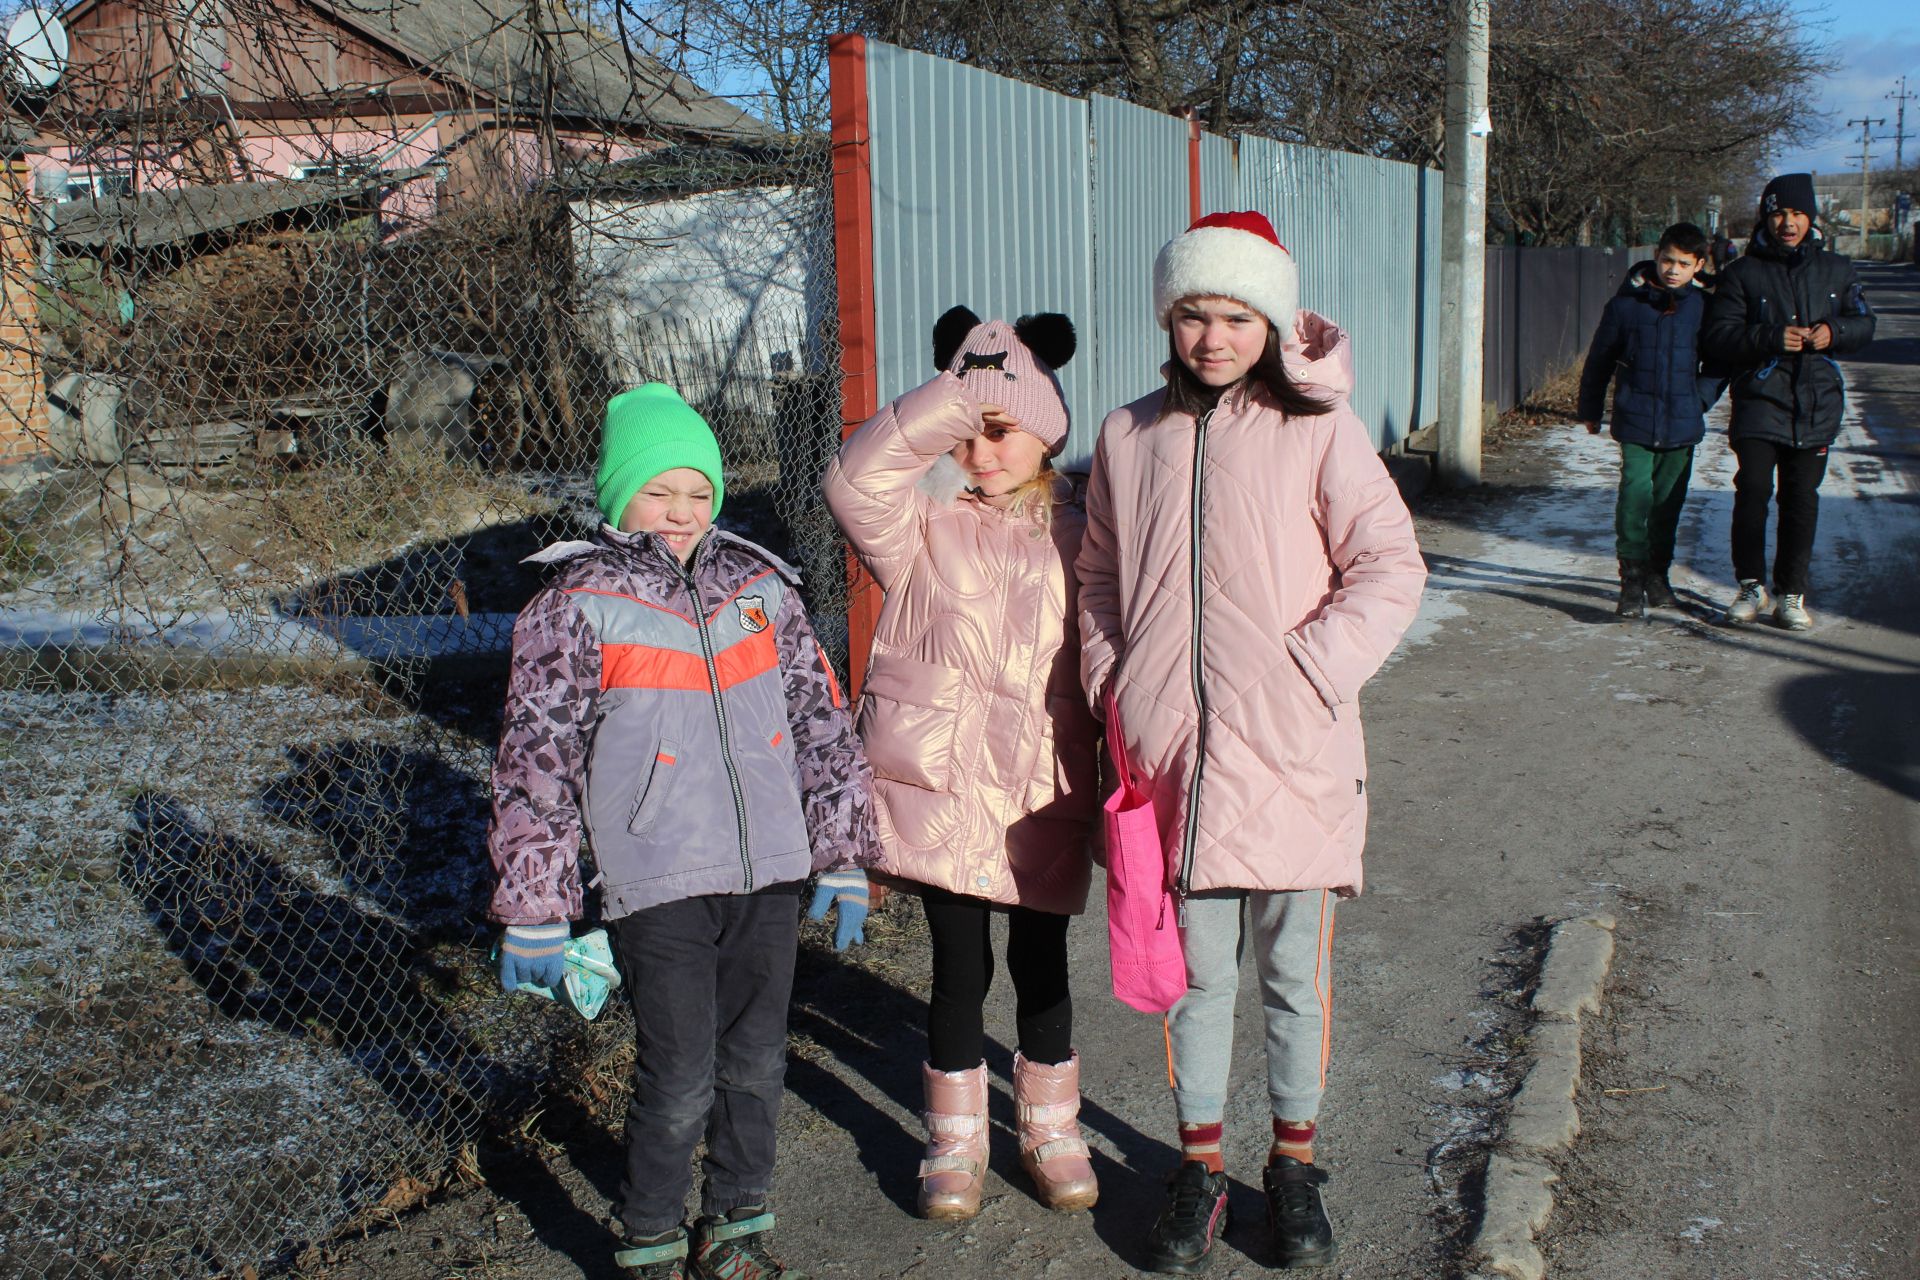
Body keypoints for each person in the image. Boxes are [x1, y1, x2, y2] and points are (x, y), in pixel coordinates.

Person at [1077, 211, 1426, 1274]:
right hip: (1171, 760)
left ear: (1270, 321)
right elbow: (1099, 577)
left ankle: (1295, 1164)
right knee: (1192, 979)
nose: (1213, 337)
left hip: (1290, 752)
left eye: (1236, 316)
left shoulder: (1318, 427)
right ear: (1167, 320)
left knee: (1291, 977)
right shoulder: (1127, 434)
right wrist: (1114, 683)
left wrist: (1309, 672)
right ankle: (1199, 1167)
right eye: (1194, 315)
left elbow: (1390, 564)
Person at [488, 382, 877, 1280]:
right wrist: (536, 903)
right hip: (657, 878)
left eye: (699, 492)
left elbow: (820, 724)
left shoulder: (760, 589)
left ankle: (736, 1228)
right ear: (617, 496)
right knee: (678, 1075)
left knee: (757, 1063)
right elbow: (535, 761)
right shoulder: (576, 603)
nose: (682, 511)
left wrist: (842, 853)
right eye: (659, 491)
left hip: (768, 872)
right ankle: (651, 1239)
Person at [822, 306, 1103, 1222]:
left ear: (1046, 430)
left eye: (1003, 431)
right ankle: (955, 1138)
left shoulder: (1085, 529)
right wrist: (957, 394)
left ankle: (1051, 1129)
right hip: (941, 789)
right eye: (967, 435)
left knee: (1041, 962)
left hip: (1040, 785)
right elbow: (854, 479)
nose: (982, 453)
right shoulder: (922, 524)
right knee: (957, 967)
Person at [1701, 173, 1875, 630]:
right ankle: (1750, 587)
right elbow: (1718, 337)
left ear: (1811, 218)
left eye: (1797, 213)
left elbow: (1864, 323)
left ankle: (1791, 593)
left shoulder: (1837, 269)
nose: (1788, 223)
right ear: (1766, 217)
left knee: (1801, 499)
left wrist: (1834, 331)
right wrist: (1772, 337)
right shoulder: (1742, 273)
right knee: (1753, 490)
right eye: (1779, 213)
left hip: (1816, 403)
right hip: (1760, 399)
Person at [1576, 221, 1721, 616]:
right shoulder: (1626, 305)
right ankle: (1631, 579)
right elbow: (1600, 360)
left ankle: (1658, 576)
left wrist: (1699, 399)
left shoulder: (1704, 309)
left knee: (1668, 504)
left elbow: (1718, 363)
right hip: (1636, 420)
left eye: (1684, 264)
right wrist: (1590, 409)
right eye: (1668, 260)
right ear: (1656, 257)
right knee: (1634, 497)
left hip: (1682, 424)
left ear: (1699, 266)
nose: (1673, 270)